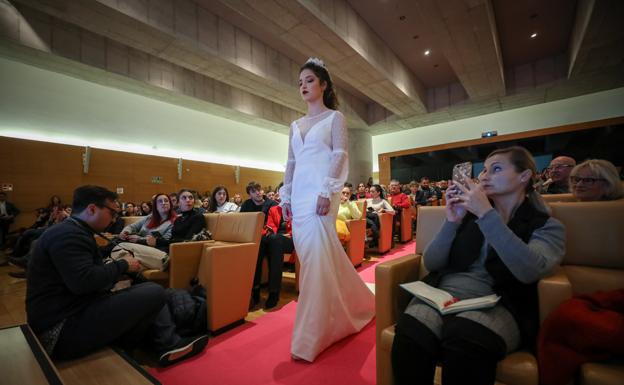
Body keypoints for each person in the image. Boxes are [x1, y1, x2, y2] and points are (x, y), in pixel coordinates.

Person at [391, 146, 566, 385]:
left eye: (495, 169)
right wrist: (452, 222)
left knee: (465, 341)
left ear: (524, 176)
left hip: (500, 302)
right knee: (411, 333)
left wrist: (486, 213)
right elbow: (431, 262)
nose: (484, 176)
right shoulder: (468, 215)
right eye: (483, 170)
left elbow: (529, 270)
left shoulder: (545, 225)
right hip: (444, 295)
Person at [26, 185, 208, 365]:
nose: (115, 218)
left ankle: (159, 342)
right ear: (91, 209)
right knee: (154, 291)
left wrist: (117, 272)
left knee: (144, 290)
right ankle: (169, 343)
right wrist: (122, 265)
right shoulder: (68, 235)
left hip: (73, 312)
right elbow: (84, 282)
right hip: (60, 330)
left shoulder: (73, 230)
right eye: (112, 212)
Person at [279, 57, 374, 362]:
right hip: (300, 195)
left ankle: (312, 335)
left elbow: (340, 154)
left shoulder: (335, 118)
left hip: (323, 193)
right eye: (300, 83)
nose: (303, 86)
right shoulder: (295, 125)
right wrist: (287, 196)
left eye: (309, 80)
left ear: (323, 85)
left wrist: (327, 189)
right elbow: (291, 164)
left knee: (319, 256)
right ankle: (354, 306)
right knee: (313, 258)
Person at [251, 204, 295, 309]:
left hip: (292, 239)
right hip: (274, 238)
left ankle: (274, 291)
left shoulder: (298, 207)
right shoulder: (274, 209)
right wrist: (270, 233)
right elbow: (270, 227)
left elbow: (300, 227)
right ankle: (255, 289)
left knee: (276, 240)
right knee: (260, 241)